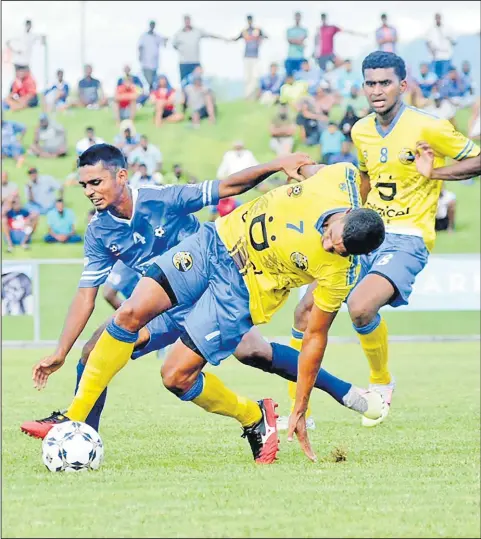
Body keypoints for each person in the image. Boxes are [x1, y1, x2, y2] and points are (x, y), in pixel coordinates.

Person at [30, 157, 387, 464]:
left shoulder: (342, 270)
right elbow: (355, 177)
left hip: (239, 294)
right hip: (212, 245)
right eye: (331, 235)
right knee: (124, 317)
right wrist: (283, 163)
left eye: (337, 249)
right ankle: (74, 422)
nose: (327, 245)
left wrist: (300, 406)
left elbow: (315, 337)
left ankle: (260, 414)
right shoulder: (336, 179)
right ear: (349, 211)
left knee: (182, 374)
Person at [281, 51, 481, 433]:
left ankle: (381, 382)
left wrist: (434, 171)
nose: (377, 90)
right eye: (370, 83)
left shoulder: (430, 127)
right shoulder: (361, 130)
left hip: (408, 236)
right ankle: (297, 406)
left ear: (402, 85)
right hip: (366, 231)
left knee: (360, 307)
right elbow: (367, 180)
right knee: (304, 312)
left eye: (385, 82)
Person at [172, 15, 226, 81]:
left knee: (198, 81)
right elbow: (174, 45)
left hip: (195, 62)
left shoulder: (197, 31)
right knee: (184, 82)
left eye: (188, 20)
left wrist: (223, 38)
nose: (187, 22)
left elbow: (210, 35)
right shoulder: (179, 34)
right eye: (186, 20)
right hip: (184, 62)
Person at [232, 15, 267, 99]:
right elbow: (237, 38)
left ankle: (254, 95)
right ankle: (247, 96)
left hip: (255, 56)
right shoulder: (245, 31)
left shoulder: (257, 30)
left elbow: (265, 36)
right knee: (247, 76)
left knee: (255, 76)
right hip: (247, 56)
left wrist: (260, 41)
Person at [138, 20, 167, 91]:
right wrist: (140, 56)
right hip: (146, 63)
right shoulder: (144, 36)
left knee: (153, 81)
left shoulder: (157, 36)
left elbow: (164, 44)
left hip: (155, 63)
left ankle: (153, 92)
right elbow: (140, 47)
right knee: (148, 81)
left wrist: (166, 40)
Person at [426, 13, 456, 79]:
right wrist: (431, 51)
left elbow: (454, 42)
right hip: (435, 57)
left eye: (439, 18)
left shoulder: (447, 29)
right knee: (435, 77)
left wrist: (449, 40)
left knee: (446, 77)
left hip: (446, 56)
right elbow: (427, 42)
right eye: (436, 18)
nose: (438, 19)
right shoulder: (431, 30)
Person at [285, 12, 308, 77]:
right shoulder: (289, 30)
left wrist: (294, 40)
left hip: (300, 57)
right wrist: (299, 41)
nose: (297, 18)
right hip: (290, 56)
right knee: (289, 76)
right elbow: (289, 40)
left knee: (300, 76)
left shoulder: (304, 30)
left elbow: (302, 39)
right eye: (296, 16)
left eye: (299, 17)